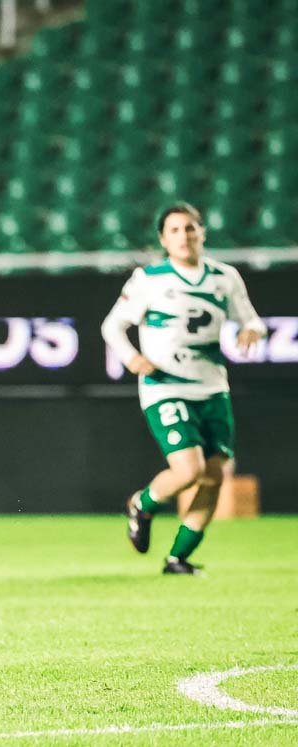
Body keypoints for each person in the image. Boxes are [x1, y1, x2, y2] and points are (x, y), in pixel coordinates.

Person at [101, 202, 265, 575]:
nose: (184, 236)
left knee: (215, 475)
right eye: (174, 230)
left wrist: (251, 329)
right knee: (189, 470)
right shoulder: (149, 279)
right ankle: (143, 504)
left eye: (190, 228)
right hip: (166, 385)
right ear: (163, 239)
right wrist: (131, 358)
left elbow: (252, 319)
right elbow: (112, 326)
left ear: (202, 232)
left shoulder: (225, 276)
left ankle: (178, 558)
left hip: (212, 387)